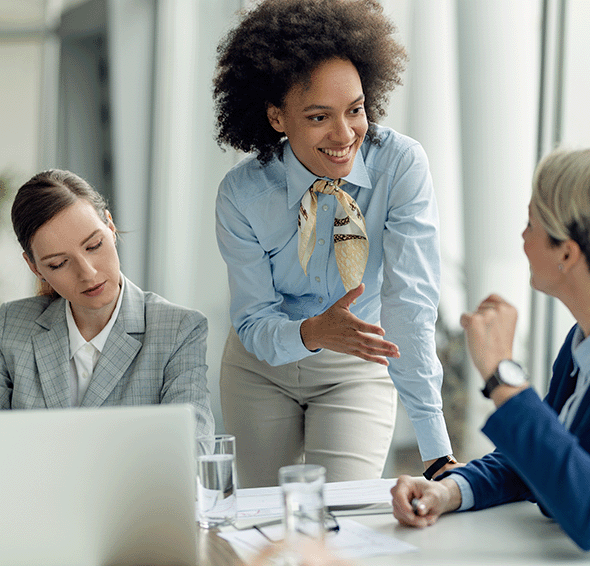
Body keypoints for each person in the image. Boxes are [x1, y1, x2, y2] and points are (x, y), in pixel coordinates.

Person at [391, 146, 590, 565]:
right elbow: (549, 458)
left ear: (567, 253)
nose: (522, 238)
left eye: (531, 223)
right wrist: (451, 489)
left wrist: (502, 378)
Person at [213, 0, 456, 487]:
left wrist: (436, 450)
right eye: (320, 117)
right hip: (262, 369)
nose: (345, 134)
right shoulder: (243, 194)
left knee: (344, 522)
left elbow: (410, 302)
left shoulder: (400, 166)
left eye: (356, 109)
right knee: (267, 527)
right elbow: (253, 319)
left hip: (355, 363)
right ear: (278, 117)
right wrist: (312, 332)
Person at [0, 169, 215, 437]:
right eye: (59, 263)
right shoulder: (8, 327)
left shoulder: (178, 330)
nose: (87, 273)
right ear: (35, 267)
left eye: (94, 245)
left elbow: (192, 447)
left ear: (110, 227)